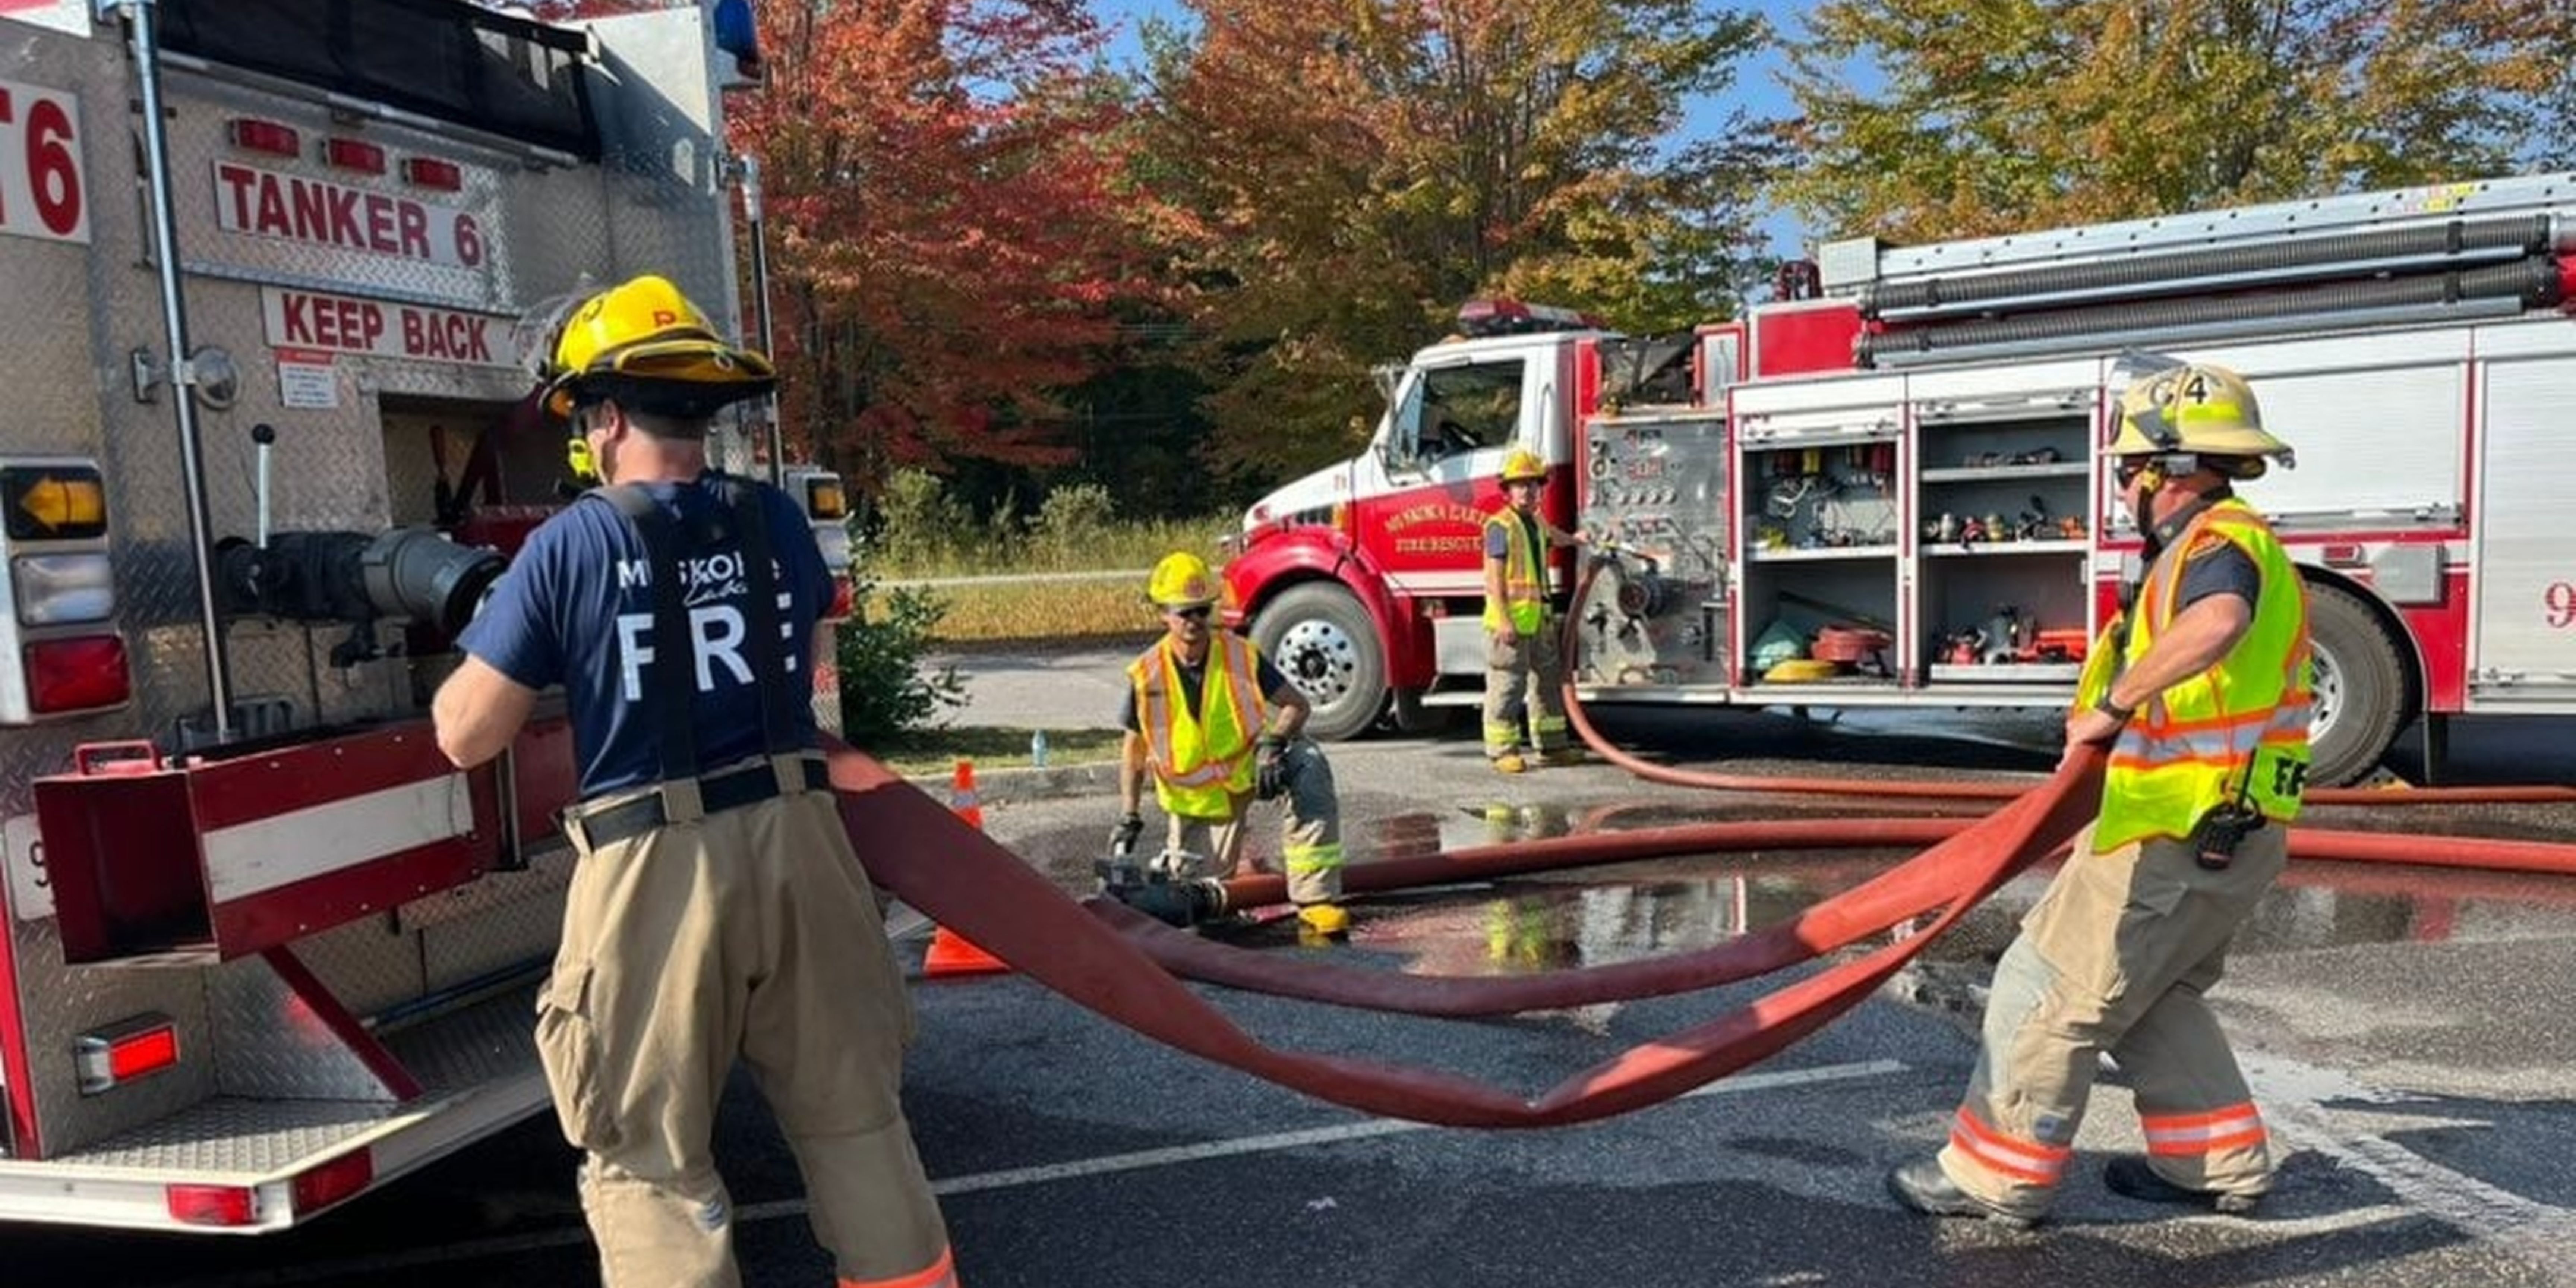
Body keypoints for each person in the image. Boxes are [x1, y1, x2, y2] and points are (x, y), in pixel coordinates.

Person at [430, 274, 957, 1288]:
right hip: (803, 841)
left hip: (654, 867)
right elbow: (799, 659)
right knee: (858, 1124)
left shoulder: (571, 545)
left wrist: (513, 624)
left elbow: (467, 736)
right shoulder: (777, 524)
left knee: (650, 1162)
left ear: (609, 416)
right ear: (701, 410)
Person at [1888, 360, 2313, 1228]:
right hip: (2227, 829)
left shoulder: (2215, 547)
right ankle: (2215, 1162)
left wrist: (2112, 706)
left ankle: (1994, 1177)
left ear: (2168, 468)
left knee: (2044, 989)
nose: (2120, 486)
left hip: (2178, 828)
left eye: (2126, 468)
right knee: (2153, 995)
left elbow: (2217, 622)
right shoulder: (2228, 542)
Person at [1114, 551, 1350, 937]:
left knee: (1308, 762)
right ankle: (1215, 898)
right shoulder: (1146, 674)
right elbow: (1133, 751)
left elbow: (1297, 704)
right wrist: (1129, 814)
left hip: (1251, 768)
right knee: (1199, 910)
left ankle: (1316, 898)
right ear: (1162, 613)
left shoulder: (1239, 654)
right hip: (1197, 802)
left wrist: (1274, 742)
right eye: (1183, 612)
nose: (1194, 621)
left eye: (1202, 611)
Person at [1481, 447, 1585, 773]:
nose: (1528, 491)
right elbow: (1494, 576)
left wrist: (1576, 540)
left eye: (1533, 484)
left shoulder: (1535, 522)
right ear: (1508, 490)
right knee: (1508, 685)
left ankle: (1552, 748)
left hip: (1538, 620)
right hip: (1511, 623)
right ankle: (1501, 751)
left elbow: (1552, 537)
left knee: (1547, 683)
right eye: (1520, 484)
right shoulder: (1501, 526)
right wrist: (1504, 619)